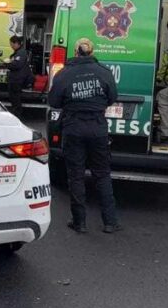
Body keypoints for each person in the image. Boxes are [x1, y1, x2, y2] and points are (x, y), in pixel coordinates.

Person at [48, 38, 121, 234]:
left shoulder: (64, 73)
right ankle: (110, 222)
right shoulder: (104, 72)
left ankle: (79, 222)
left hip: (73, 127)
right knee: (102, 174)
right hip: (98, 127)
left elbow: (53, 101)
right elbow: (113, 97)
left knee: (75, 175)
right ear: (92, 51)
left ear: (75, 51)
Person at [4, 35, 32, 117]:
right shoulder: (18, 53)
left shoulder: (21, 53)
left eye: (11, 44)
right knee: (13, 98)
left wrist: (7, 64)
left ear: (16, 43)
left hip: (17, 80)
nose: (11, 46)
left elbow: (16, 65)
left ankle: (17, 115)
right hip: (15, 79)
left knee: (16, 99)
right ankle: (16, 113)